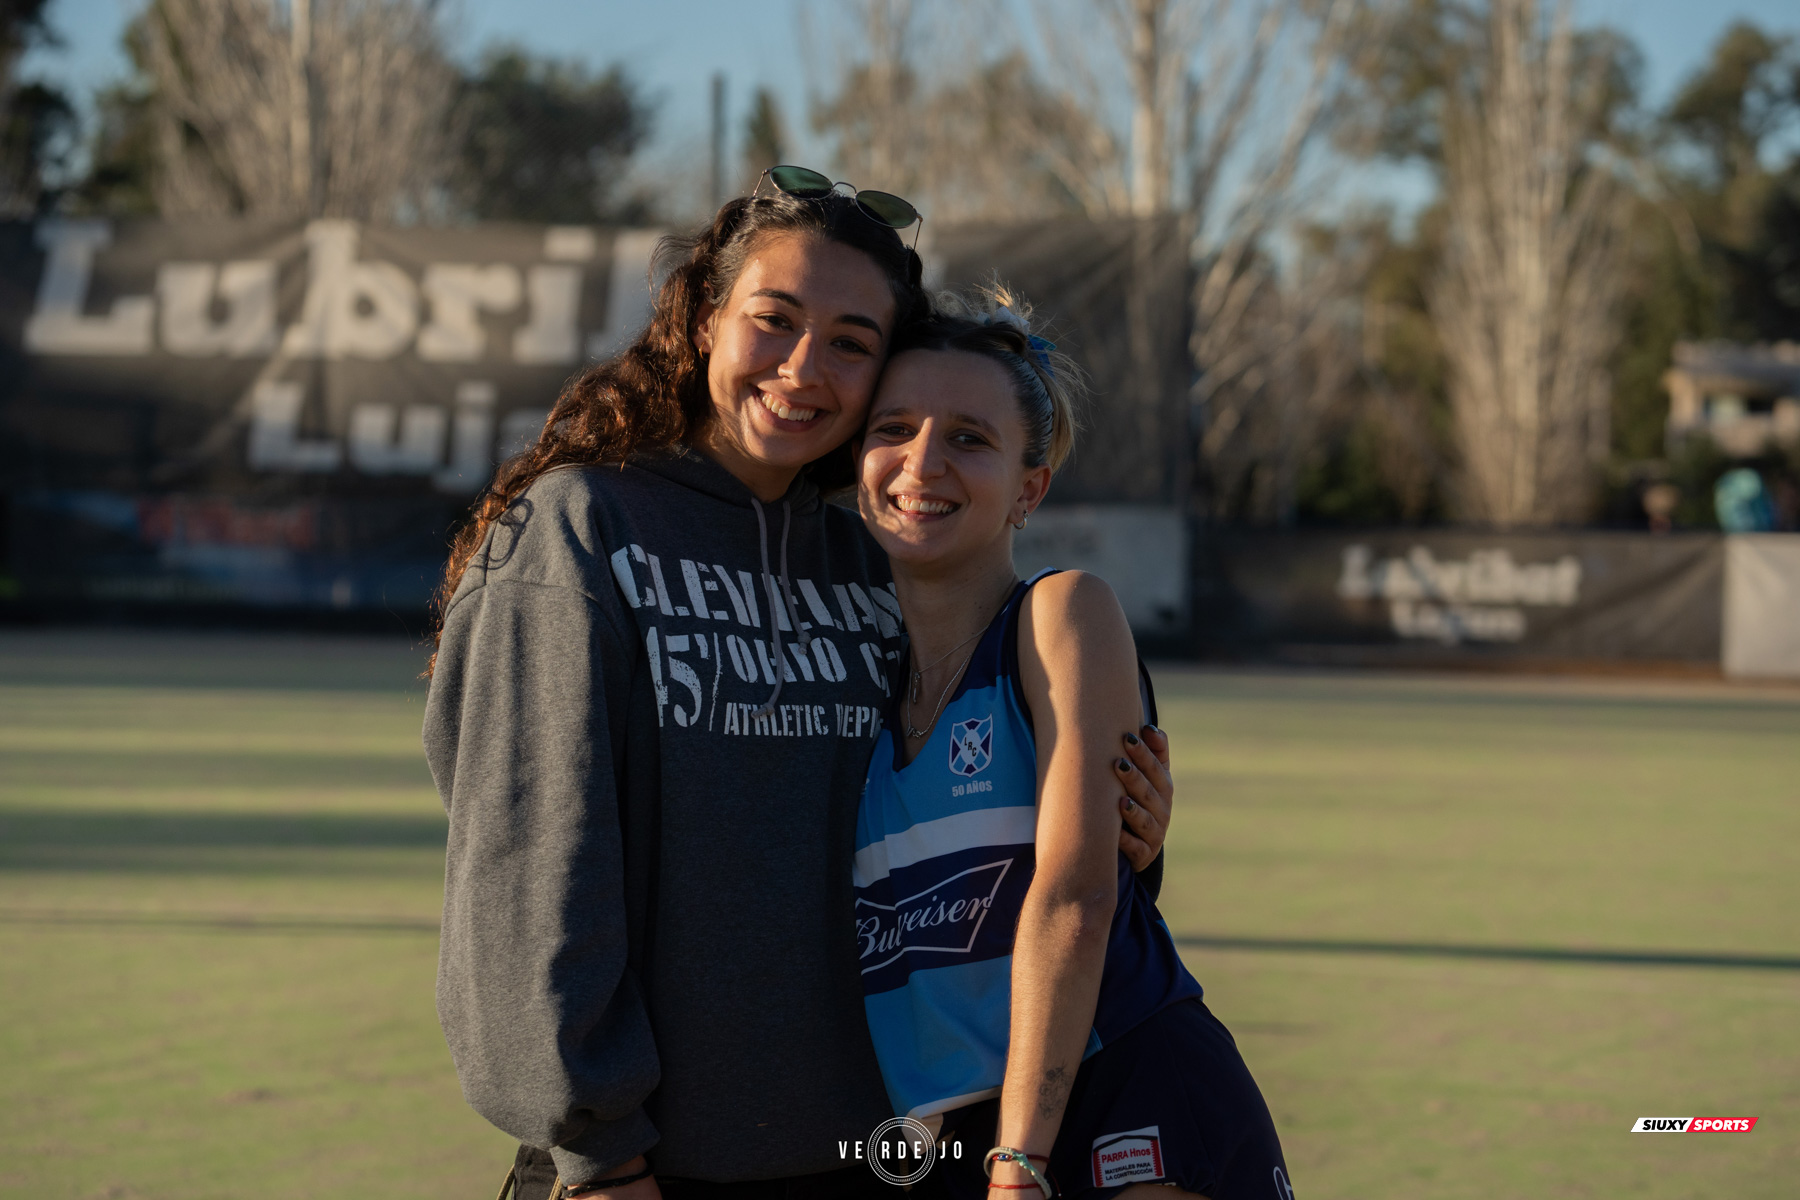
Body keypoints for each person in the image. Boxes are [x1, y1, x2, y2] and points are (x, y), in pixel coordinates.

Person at [424, 174, 1176, 1200]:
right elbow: (528, 873)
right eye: (773, 321)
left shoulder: (876, 557)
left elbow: (980, 827)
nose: (804, 368)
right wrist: (600, 1152)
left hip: (880, 1163)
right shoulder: (583, 533)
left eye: (853, 343)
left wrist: (1125, 827)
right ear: (700, 322)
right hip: (639, 1171)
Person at [852, 287, 1290, 1200]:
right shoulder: (849, 669)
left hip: (1117, 1096)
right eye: (893, 427)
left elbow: (1078, 894)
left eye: (970, 438)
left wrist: (1019, 1159)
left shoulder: (1061, 612)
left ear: (1030, 487)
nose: (922, 461)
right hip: (948, 1140)